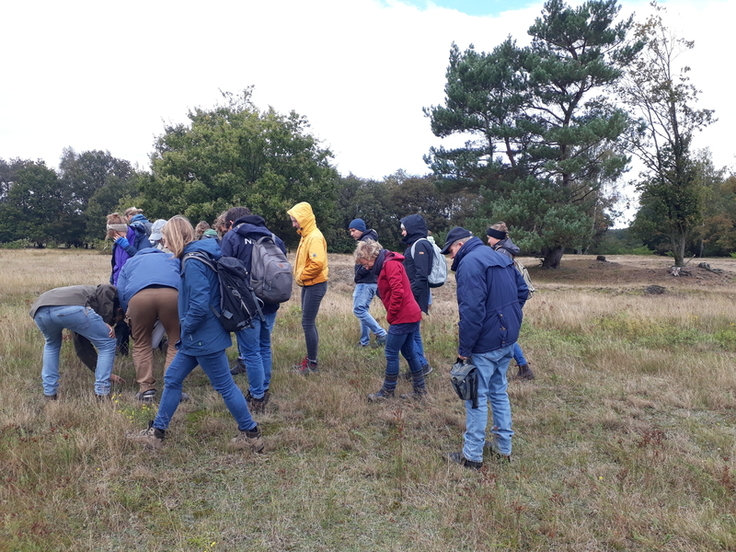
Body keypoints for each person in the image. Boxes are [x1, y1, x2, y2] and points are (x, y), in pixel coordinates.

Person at [128, 216, 263, 452]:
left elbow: (199, 304)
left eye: (166, 238)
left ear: (176, 237)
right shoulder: (200, 254)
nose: (164, 243)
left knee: (224, 386)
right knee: (172, 380)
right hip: (198, 337)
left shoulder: (192, 261)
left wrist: (185, 327)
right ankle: (157, 433)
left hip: (202, 337)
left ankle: (251, 433)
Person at [440, 227, 528, 469]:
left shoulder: (469, 263)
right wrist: (506, 317)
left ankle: (472, 456)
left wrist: (464, 351)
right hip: (508, 337)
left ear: (459, 245)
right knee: (499, 392)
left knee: (476, 398)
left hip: (485, 343)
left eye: (450, 252)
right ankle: (503, 448)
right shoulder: (501, 255)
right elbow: (522, 292)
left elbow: (472, 311)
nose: (450, 257)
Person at [221, 206, 287, 413]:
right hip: (271, 301)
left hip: (245, 304)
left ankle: (257, 396)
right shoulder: (275, 238)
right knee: (264, 346)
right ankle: (264, 387)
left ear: (232, 223)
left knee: (250, 352)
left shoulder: (232, 237)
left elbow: (223, 270)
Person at [354, 240, 427, 401]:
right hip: (411, 313)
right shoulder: (387, 263)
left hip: (403, 315)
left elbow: (398, 291)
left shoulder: (390, 265)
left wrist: (392, 314)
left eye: (365, 263)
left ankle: (387, 392)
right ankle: (420, 391)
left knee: (391, 352)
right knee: (409, 351)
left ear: (370, 256)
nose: (365, 267)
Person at [30, 284, 119, 400]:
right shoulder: (101, 291)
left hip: (39, 310)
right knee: (107, 343)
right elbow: (107, 288)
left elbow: (81, 344)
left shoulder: (81, 291)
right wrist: (105, 320)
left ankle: (49, 393)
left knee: (52, 345)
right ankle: (102, 392)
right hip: (72, 309)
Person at [116, 247, 182, 402]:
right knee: (175, 342)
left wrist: (129, 313)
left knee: (141, 343)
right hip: (172, 295)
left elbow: (120, 290)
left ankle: (146, 390)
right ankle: (172, 389)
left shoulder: (130, 262)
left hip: (138, 298)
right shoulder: (173, 258)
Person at [487, 222, 535, 380]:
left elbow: (503, 278)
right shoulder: (505, 249)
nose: (487, 241)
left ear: (497, 238)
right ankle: (522, 367)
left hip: (508, 297)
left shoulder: (501, 252)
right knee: (506, 333)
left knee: (505, 334)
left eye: (489, 238)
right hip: (513, 295)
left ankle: (523, 367)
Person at [287, 202, 328, 375]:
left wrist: (301, 276)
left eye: (295, 220)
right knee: (307, 322)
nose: (293, 224)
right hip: (309, 284)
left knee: (307, 323)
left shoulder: (314, 237)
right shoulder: (306, 235)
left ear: (303, 218)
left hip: (314, 285)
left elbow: (317, 262)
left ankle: (312, 364)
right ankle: (311, 361)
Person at [399, 214, 433, 377]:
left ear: (413, 228)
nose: (403, 233)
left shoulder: (420, 245)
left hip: (413, 297)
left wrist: (408, 296)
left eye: (405, 229)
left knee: (408, 333)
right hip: (414, 295)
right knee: (414, 332)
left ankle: (420, 365)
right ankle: (420, 365)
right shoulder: (416, 244)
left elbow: (421, 275)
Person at [348, 218, 387, 348]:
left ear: (361, 229)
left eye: (353, 230)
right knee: (363, 310)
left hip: (365, 281)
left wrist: (358, 275)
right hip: (370, 281)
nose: (351, 234)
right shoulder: (370, 239)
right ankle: (364, 341)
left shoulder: (366, 242)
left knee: (359, 309)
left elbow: (365, 265)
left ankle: (381, 334)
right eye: (350, 231)